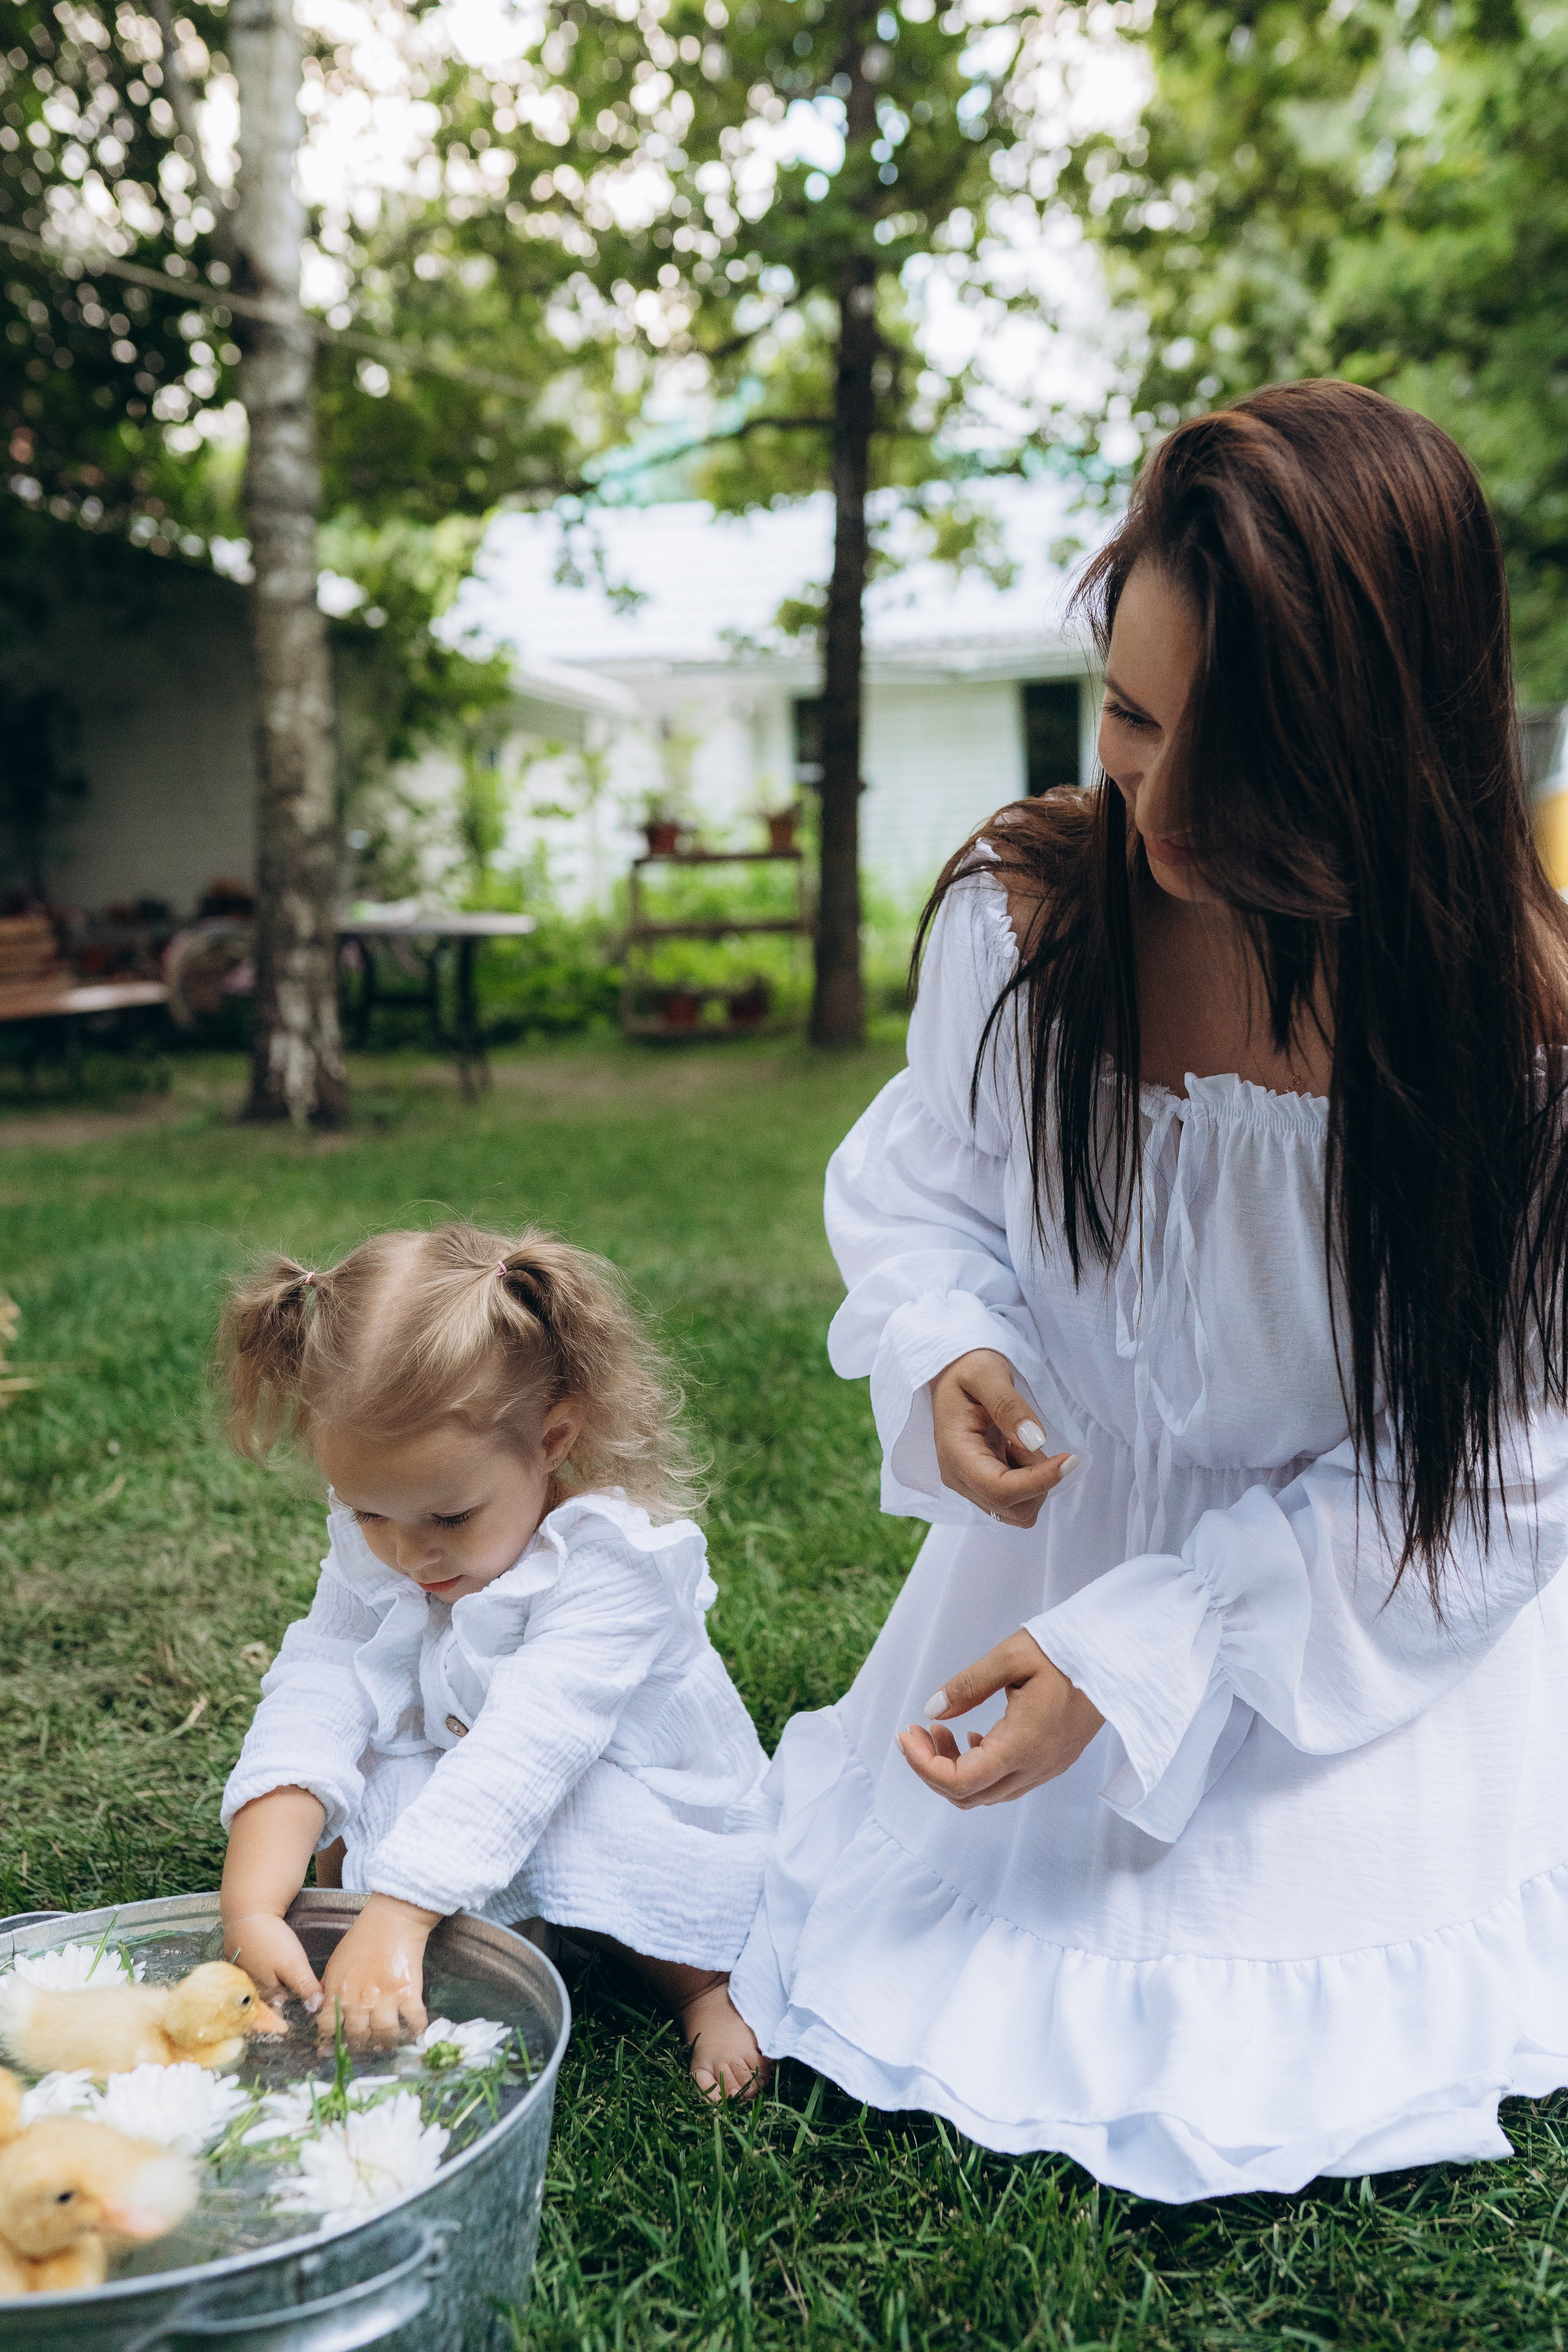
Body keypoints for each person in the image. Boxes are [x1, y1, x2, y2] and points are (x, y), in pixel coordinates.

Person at [731, 380, 1568, 2198]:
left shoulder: (1511, 1042)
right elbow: (923, 1186)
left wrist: (1156, 1651)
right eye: (1128, 713)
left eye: (1238, 756)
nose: (1158, 802)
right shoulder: (1027, 924)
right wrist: (953, 1331)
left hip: (1366, 1625)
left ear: (1385, 745)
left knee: (1270, 1984)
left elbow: (1504, 1468)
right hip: (1064, 1559)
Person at [217, 1221, 770, 2099]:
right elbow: (318, 1684)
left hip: (626, 1793)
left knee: (577, 1817)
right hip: (465, 1774)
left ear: (552, 1442)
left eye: (449, 1519)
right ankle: (401, 1939)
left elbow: (529, 1753)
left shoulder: (611, 1567)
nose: (408, 1556)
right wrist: (251, 1900)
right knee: (362, 1782)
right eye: (368, 1514)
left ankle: (701, 1982)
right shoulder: (395, 1541)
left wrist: (401, 1908)